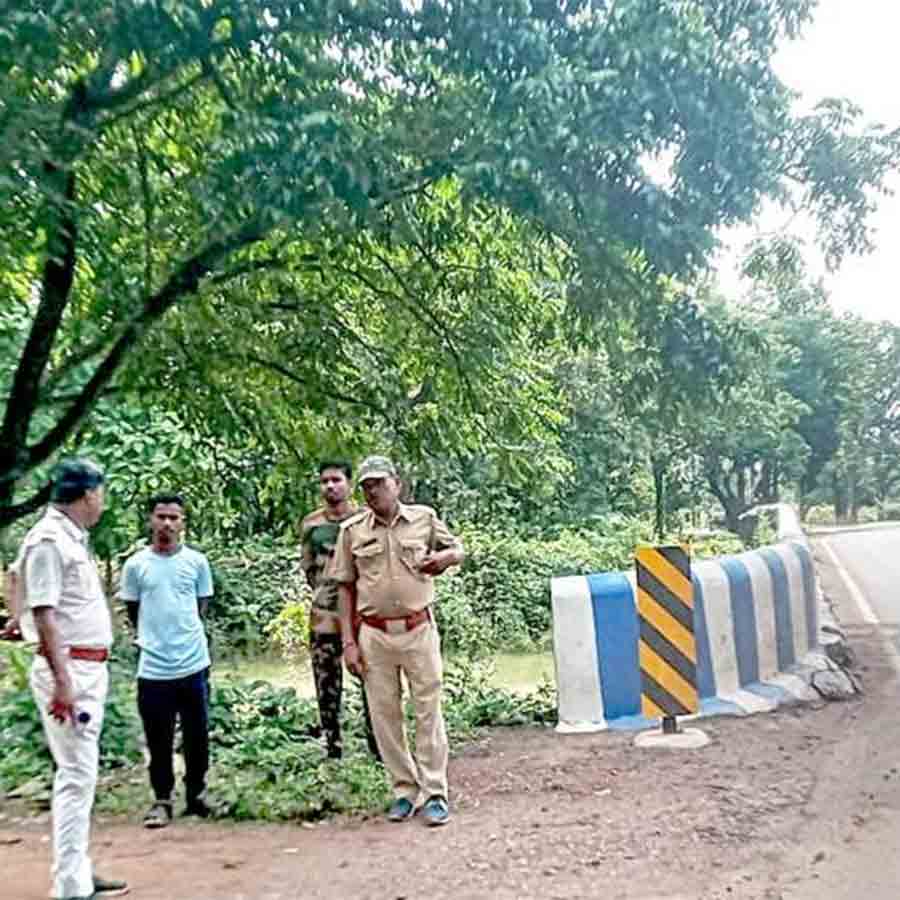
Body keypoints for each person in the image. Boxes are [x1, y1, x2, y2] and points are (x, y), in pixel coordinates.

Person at [332, 455, 464, 827]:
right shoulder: (353, 531)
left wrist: (445, 559)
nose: (373, 491)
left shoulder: (423, 518)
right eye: (367, 487)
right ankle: (404, 791)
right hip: (373, 634)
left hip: (419, 629)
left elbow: (459, 549)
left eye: (379, 483)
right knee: (384, 715)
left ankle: (435, 792)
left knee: (428, 711)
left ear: (397, 483)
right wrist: (349, 642)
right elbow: (344, 587)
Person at [17, 457, 127, 899]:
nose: (101, 501)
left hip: (83, 668)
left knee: (80, 774)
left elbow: (17, 581)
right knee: (76, 775)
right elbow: (44, 612)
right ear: (86, 494)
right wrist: (62, 680)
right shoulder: (49, 540)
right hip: (72, 671)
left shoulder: (67, 538)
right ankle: (70, 884)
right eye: (99, 492)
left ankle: (76, 869)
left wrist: (15, 617)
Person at [119, 494, 214, 829]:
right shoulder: (135, 565)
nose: (167, 524)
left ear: (182, 522)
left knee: (197, 735)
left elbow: (201, 607)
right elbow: (133, 610)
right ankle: (162, 799)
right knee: (157, 738)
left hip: (193, 663)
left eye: (174, 518)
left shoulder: (197, 563)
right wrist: (152, 640)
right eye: (161, 517)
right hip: (153, 668)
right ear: (151, 520)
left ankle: (196, 795)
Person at [300, 460, 380, 760]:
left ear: (348, 485)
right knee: (327, 686)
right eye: (324, 481)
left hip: (363, 616)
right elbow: (309, 570)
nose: (330, 486)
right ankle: (333, 748)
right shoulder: (311, 524)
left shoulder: (364, 520)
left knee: (372, 684)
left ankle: (378, 749)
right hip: (323, 618)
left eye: (336, 480)